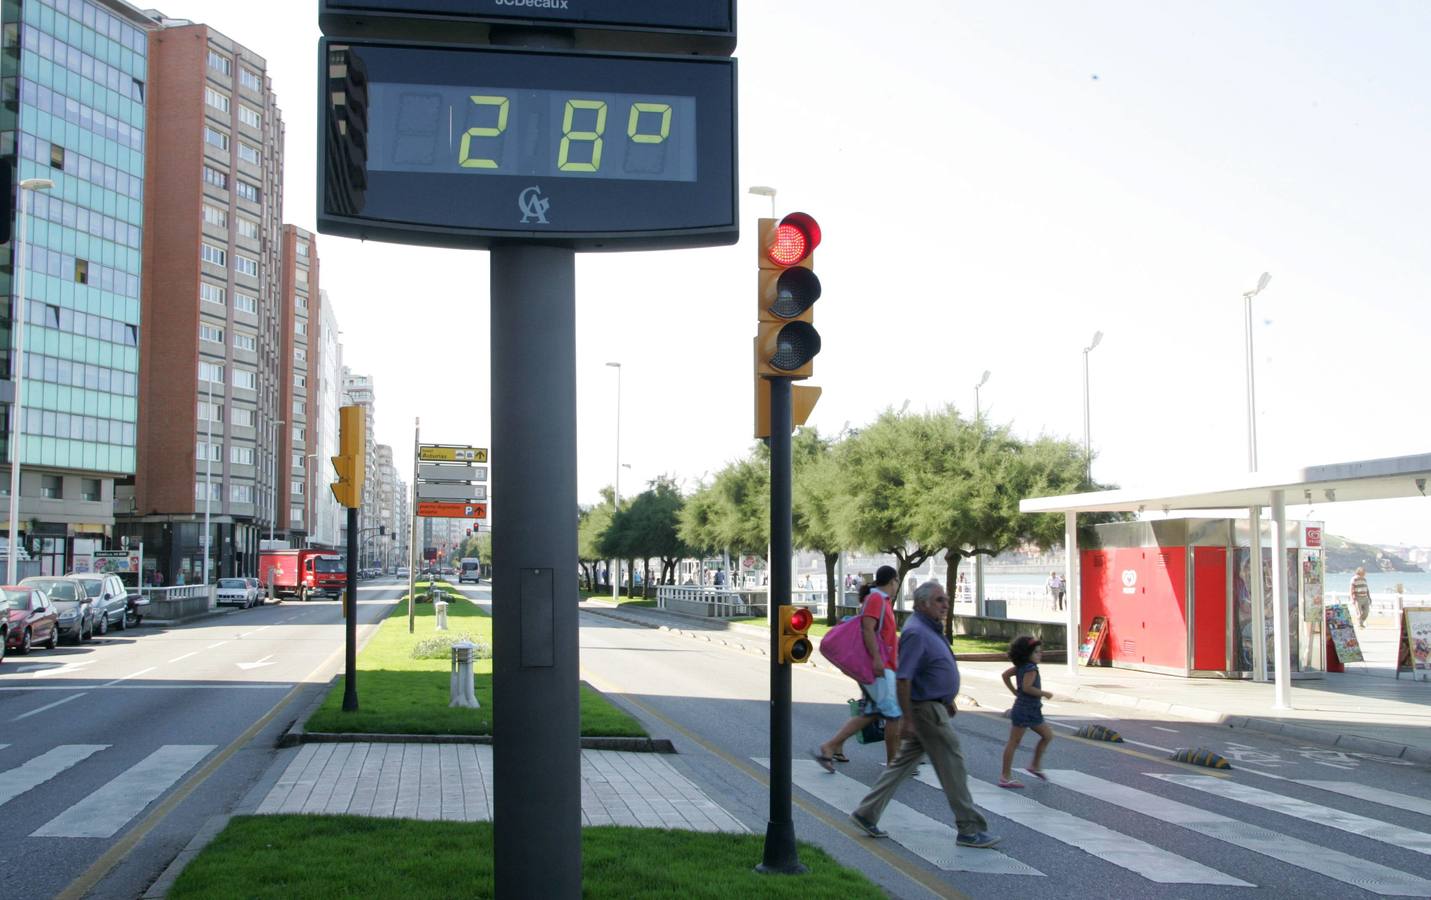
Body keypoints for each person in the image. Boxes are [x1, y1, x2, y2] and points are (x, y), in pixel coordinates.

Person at [849, 580, 1000, 849]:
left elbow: (928, 670)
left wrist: (947, 698)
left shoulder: (929, 630)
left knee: (901, 766)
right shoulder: (917, 633)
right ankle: (969, 829)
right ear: (922, 604)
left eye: (946, 599)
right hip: (926, 711)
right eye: (939, 600)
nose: (945, 604)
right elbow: (904, 678)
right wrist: (908, 718)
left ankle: (866, 813)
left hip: (934, 705)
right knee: (953, 766)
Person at [813, 566, 903, 769]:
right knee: (893, 714)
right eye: (897, 582)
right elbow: (867, 629)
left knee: (870, 713)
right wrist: (877, 659)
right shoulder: (876, 599)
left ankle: (831, 746)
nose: (897, 586)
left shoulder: (881, 600)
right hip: (880, 668)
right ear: (892, 581)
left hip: (884, 665)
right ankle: (893, 765)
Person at [998, 635, 1055, 788]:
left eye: (1040, 652)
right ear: (1027, 654)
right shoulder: (1031, 668)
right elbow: (1027, 688)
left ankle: (1035, 766)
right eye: (1036, 652)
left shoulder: (1022, 666)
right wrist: (1044, 693)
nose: (1040, 654)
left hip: (1031, 710)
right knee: (1014, 742)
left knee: (1047, 735)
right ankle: (1005, 776)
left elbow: (1005, 675)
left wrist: (1014, 692)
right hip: (1025, 710)